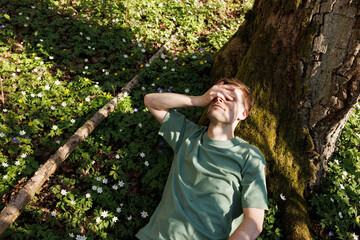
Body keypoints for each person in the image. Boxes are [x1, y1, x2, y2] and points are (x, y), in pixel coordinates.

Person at [136, 78, 268, 240]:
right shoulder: (188, 135)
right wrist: (197, 100)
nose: (220, 99)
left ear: (243, 114)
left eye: (230, 98)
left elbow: (254, 222)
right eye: (217, 95)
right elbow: (150, 101)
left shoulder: (249, 156)